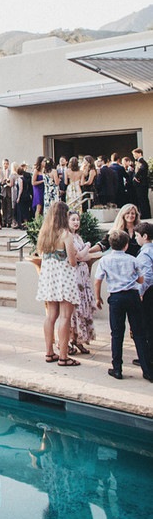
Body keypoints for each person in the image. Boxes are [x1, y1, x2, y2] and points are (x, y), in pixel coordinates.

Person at [94, 229, 152, 381]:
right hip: (132, 296)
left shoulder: (105, 260)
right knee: (139, 333)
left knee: (117, 333)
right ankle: (147, 370)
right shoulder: (133, 260)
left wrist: (98, 297)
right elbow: (141, 280)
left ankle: (117, 368)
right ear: (126, 245)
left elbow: (98, 280)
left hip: (116, 298)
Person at [35, 201, 80, 367]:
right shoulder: (65, 234)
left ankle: (49, 352)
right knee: (65, 316)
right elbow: (72, 261)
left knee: (51, 315)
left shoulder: (45, 233)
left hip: (49, 278)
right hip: (64, 277)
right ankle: (63, 356)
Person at [67, 211, 96, 355]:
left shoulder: (77, 236)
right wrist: (86, 248)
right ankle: (71, 338)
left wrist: (84, 253)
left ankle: (80, 339)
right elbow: (77, 256)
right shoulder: (68, 237)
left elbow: (86, 256)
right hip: (75, 276)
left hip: (83, 275)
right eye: (73, 219)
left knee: (83, 308)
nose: (76, 222)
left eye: (77, 219)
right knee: (75, 309)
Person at [135, 221, 153, 370]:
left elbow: (147, 277)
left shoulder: (145, 254)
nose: (136, 239)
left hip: (149, 293)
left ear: (145, 236)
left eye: (137, 236)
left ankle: (148, 358)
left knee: (148, 325)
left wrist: (140, 293)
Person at [132, 149, 151, 218]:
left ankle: (145, 214)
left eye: (135, 154)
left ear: (140, 153)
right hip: (140, 185)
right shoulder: (138, 162)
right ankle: (145, 213)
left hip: (141, 184)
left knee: (143, 199)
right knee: (142, 199)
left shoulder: (142, 162)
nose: (134, 156)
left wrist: (136, 176)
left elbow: (142, 169)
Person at [0, 158, 13, 227]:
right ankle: (3, 221)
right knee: (3, 207)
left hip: (9, 191)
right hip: (3, 191)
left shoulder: (10, 172)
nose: (5, 165)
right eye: (4, 164)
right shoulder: (0, 172)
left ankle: (9, 221)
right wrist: (2, 181)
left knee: (9, 207)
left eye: (6, 164)